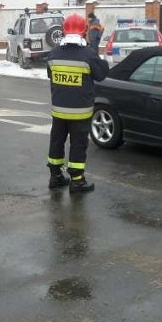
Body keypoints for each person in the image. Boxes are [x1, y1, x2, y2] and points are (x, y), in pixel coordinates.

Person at [46, 13, 109, 193]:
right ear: (84, 31)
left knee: (56, 141)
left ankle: (55, 176)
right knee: (78, 144)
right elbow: (101, 75)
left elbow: (50, 75)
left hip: (58, 110)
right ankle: (77, 181)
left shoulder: (53, 53)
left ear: (64, 31)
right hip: (80, 111)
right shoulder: (88, 55)